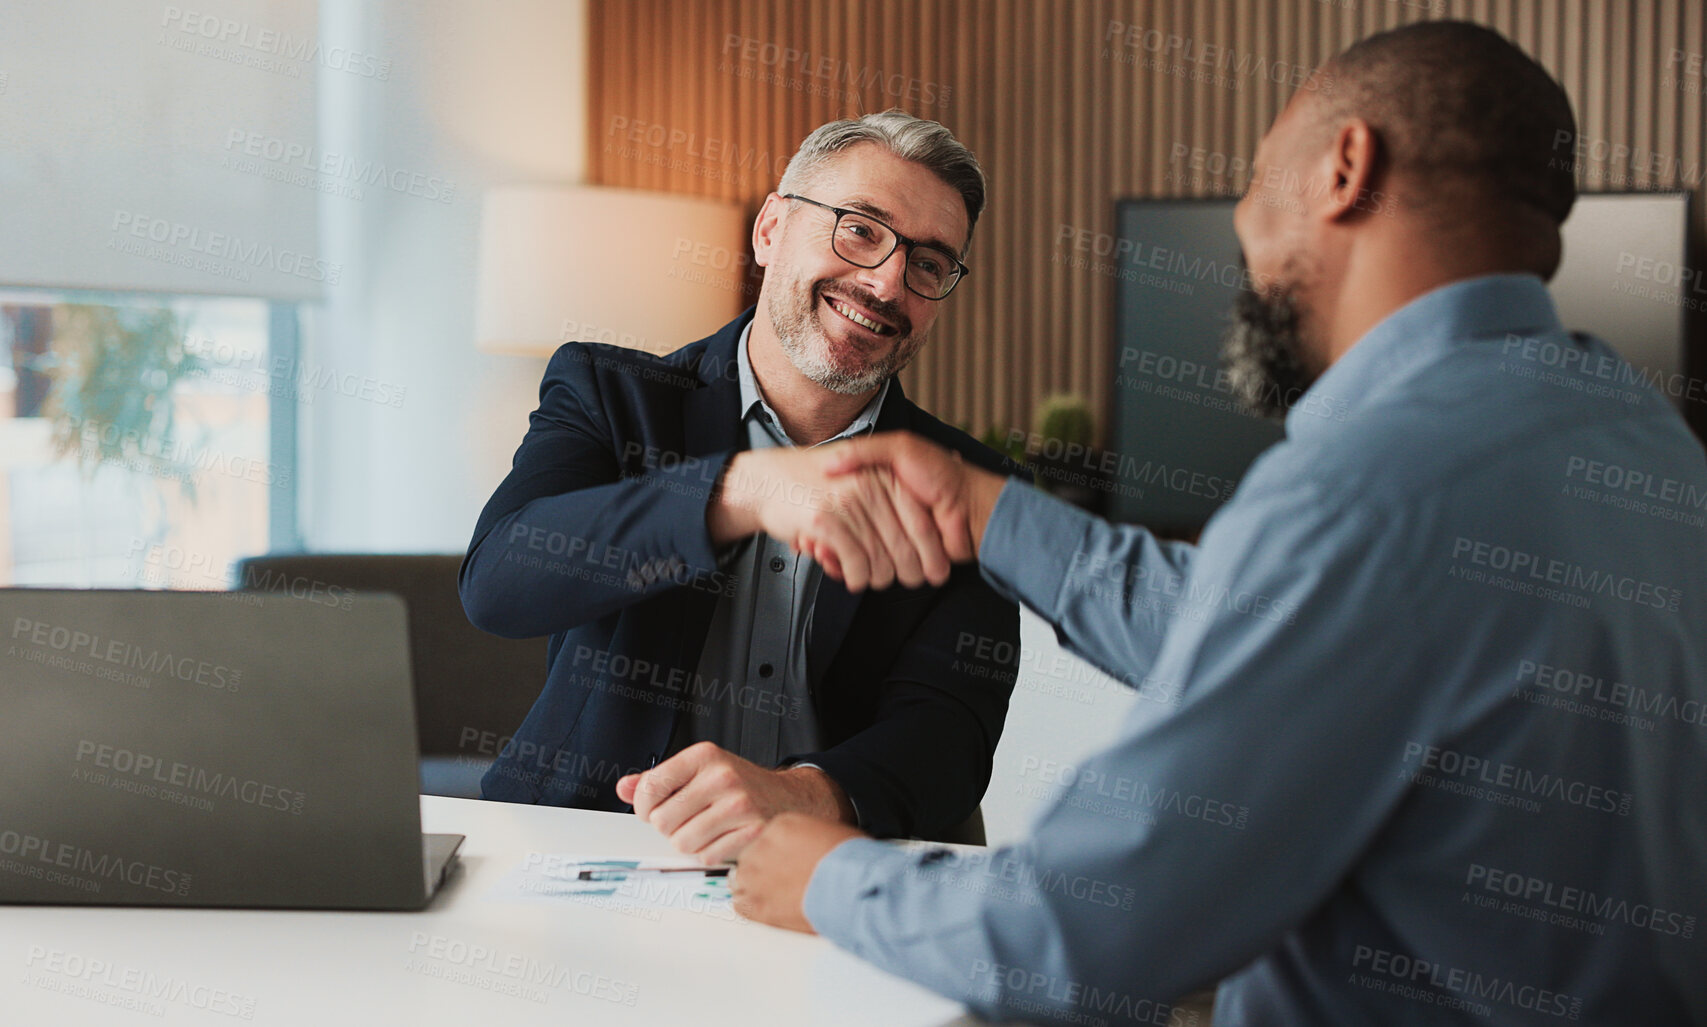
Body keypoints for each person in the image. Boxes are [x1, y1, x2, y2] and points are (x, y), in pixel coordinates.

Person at [729, 22, 1707, 1024]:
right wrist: (990, 512)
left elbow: (1083, 932)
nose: (1242, 224)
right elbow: (1269, 626)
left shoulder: (1368, 486)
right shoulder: (1647, 444)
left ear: (1344, 166)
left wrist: (828, 877)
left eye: (1255, 175)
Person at [460, 111, 1023, 860]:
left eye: (927, 263)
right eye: (860, 229)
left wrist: (800, 795)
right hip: (585, 850)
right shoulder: (609, 393)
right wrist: (743, 489)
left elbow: (951, 731)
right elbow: (497, 585)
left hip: (829, 871)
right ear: (769, 231)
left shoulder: (969, 483)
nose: (887, 279)